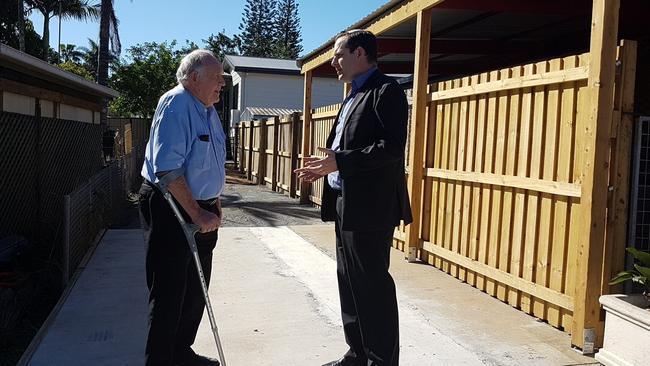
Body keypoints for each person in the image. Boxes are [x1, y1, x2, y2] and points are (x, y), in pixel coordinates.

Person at [295, 30, 412, 366]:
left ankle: (381, 361)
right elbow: (348, 147)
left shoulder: (385, 91)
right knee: (349, 282)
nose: (334, 62)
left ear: (360, 53)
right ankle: (358, 354)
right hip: (348, 203)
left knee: (373, 287)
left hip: (372, 208)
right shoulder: (353, 94)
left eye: (339, 54)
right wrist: (328, 167)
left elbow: (390, 149)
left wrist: (340, 162)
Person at [139, 49, 227, 366]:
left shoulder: (208, 109)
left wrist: (213, 203)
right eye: (216, 78)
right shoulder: (177, 104)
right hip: (171, 206)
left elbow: (208, 162)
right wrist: (197, 213)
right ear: (194, 78)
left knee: (194, 292)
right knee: (169, 293)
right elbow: (168, 171)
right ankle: (160, 360)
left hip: (201, 208)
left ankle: (180, 352)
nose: (222, 84)